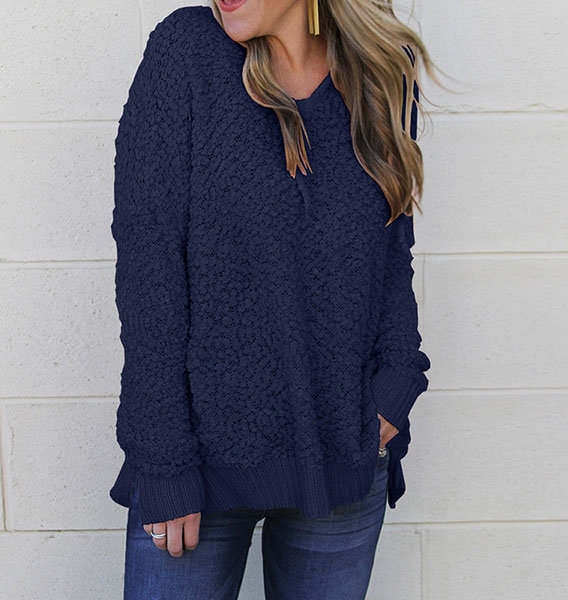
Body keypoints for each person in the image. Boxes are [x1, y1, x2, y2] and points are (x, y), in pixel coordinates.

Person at [109, 1, 435, 598]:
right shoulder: (187, 53)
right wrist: (163, 460)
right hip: (198, 468)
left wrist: (398, 381)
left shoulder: (383, 68)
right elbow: (148, 272)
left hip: (345, 448)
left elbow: (391, 253)